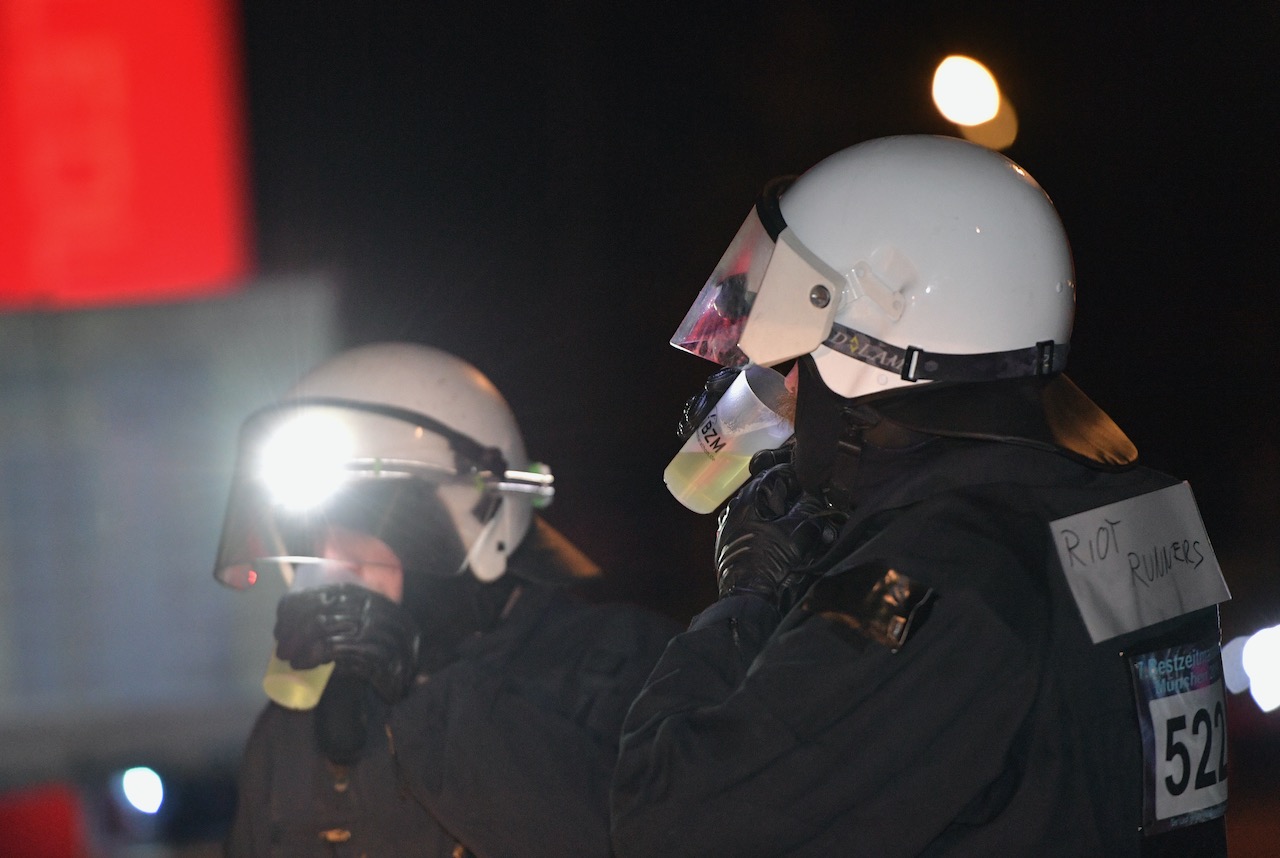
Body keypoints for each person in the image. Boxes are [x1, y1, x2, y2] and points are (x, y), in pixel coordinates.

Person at [610, 135, 1231, 856]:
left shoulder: (932, 581)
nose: (783, 389)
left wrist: (747, 604)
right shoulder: (1132, 521)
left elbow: (675, 823)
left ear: (872, 347)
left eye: (795, 361)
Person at [213, 342, 679, 857]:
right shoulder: (295, 729)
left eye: (364, 527)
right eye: (307, 534)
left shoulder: (622, 665)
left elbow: (623, 838)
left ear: (477, 519)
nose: (328, 559)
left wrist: (425, 703)